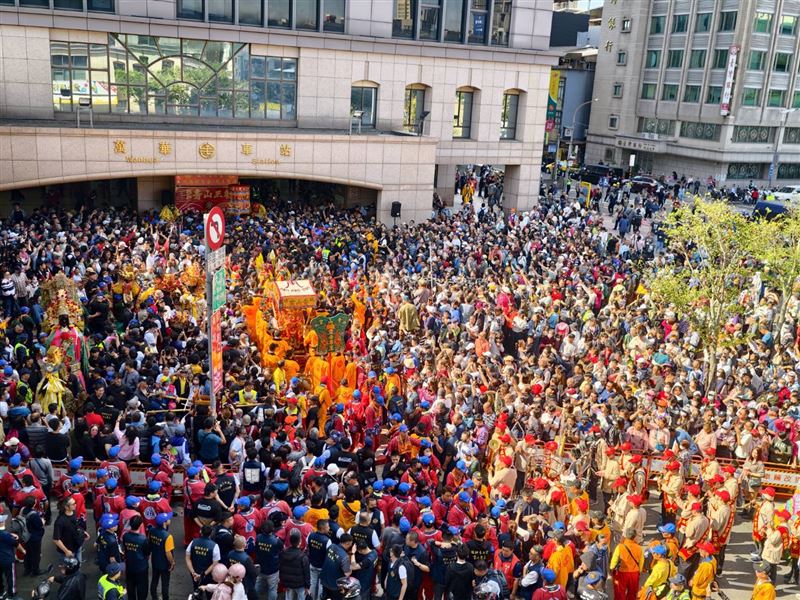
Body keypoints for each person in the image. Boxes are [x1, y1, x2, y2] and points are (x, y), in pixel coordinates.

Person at [122, 514, 151, 600]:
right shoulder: (143, 539)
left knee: (130, 587)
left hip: (129, 565)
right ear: (141, 525)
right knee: (142, 588)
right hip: (141, 567)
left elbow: (125, 549)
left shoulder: (125, 536)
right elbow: (147, 553)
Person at [148, 512, 176, 600]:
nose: (170, 520)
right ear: (165, 523)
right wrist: (172, 563)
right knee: (165, 584)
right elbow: (168, 553)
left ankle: (154, 597)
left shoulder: (151, 531)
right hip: (164, 563)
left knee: (154, 580)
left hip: (155, 560)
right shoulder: (168, 536)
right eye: (168, 519)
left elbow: (150, 544)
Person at [609, 528, 643, 600]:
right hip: (634, 573)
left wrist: (612, 569)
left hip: (622, 573)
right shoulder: (639, 548)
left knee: (620, 592)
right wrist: (639, 571)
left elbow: (614, 560)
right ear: (635, 537)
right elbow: (641, 562)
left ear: (626, 536)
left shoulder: (620, 547)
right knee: (632, 592)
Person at [320, 532, 354, 600]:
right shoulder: (345, 557)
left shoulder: (331, 546)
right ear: (347, 543)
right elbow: (347, 573)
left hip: (324, 580)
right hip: (334, 585)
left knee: (325, 597)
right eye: (351, 544)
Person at [280, 529, 311, 600]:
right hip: (300, 584)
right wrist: (307, 587)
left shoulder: (283, 553)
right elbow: (307, 573)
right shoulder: (303, 557)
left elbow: (281, 569)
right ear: (299, 542)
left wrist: (283, 583)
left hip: (288, 584)